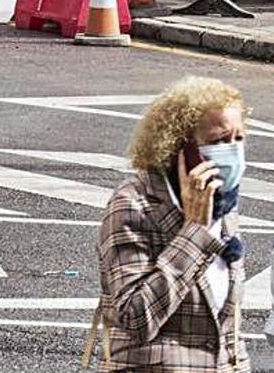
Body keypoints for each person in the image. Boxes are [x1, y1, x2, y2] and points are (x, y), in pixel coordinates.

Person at [88, 76, 251, 372]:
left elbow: (228, 330)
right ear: (180, 146)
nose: (232, 151)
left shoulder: (223, 207)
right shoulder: (133, 204)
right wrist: (195, 232)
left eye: (238, 139)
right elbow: (136, 317)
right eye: (218, 141)